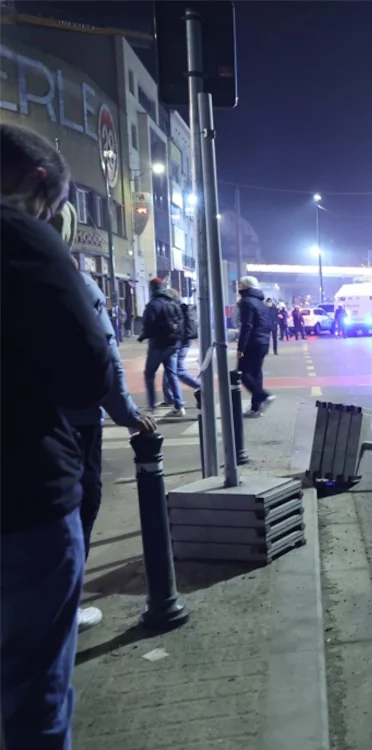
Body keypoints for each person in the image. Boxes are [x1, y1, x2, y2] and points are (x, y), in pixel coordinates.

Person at [2, 121, 114, 748]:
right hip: (21, 496)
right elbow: (85, 374)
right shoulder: (22, 236)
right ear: (40, 184)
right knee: (33, 690)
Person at [54, 201, 157, 632]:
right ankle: (61, 607)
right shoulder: (72, 283)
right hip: (71, 423)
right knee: (76, 508)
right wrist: (129, 415)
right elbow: (105, 360)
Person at [139, 277, 186, 416]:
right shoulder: (172, 302)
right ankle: (179, 405)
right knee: (172, 374)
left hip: (158, 345)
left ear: (152, 288)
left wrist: (143, 336)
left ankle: (152, 406)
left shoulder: (153, 304)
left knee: (149, 374)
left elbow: (148, 324)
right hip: (173, 343)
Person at [236, 276, 276, 417]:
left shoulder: (246, 302)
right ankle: (256, 408)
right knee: (256, 373)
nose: (238, 286)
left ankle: (263, 395)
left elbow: (247, 326)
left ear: (245, 287)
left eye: (240, 284)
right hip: (263, 341)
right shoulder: (261, 303)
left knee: (242, 373)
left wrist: (241, 347)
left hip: (252, 342)